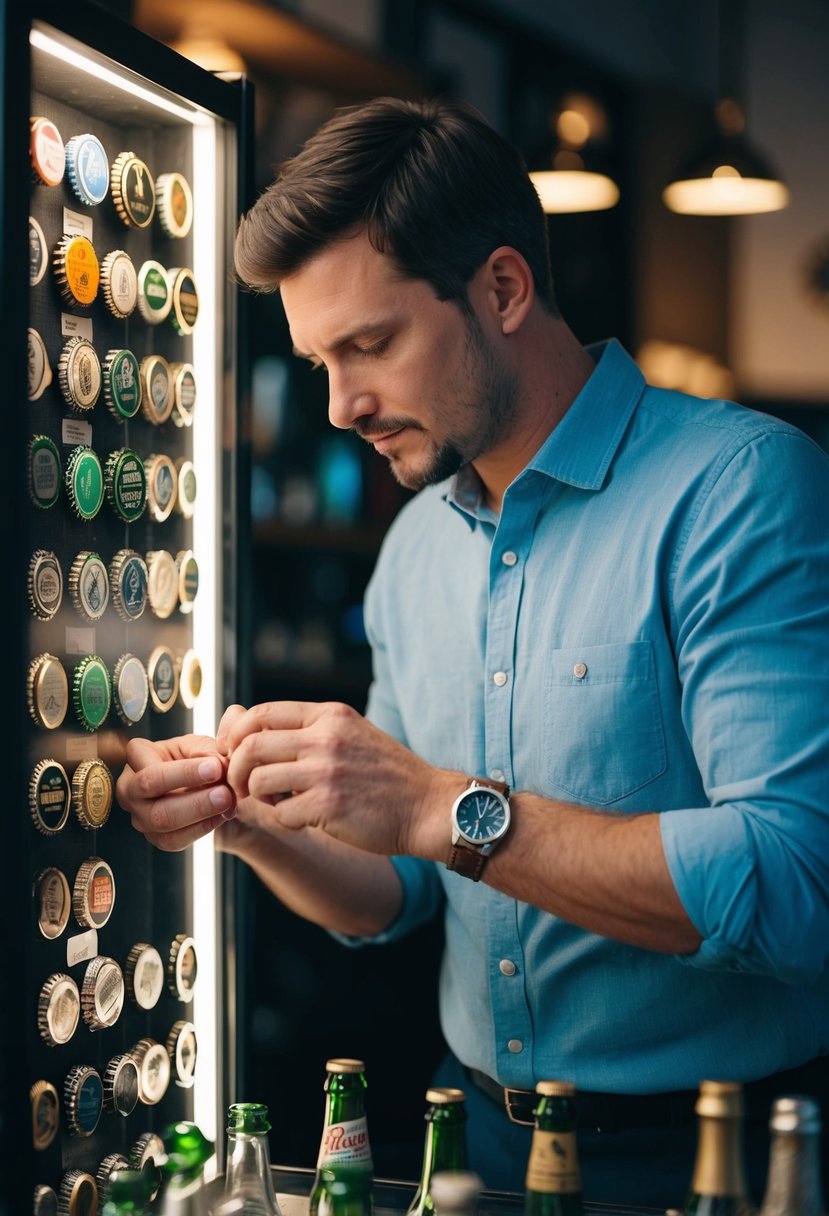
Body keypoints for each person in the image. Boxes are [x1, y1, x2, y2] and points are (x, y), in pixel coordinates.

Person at [116, 97, 829, 1207]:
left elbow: (796, 884)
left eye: (371, 342)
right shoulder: (411, 546)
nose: (344, 401)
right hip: (472, 1144)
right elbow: (400, 888)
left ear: (502, 289)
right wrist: (251, 823)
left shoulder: (738, 489)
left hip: (706, 1160)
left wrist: (444, 805)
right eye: (318, 361)